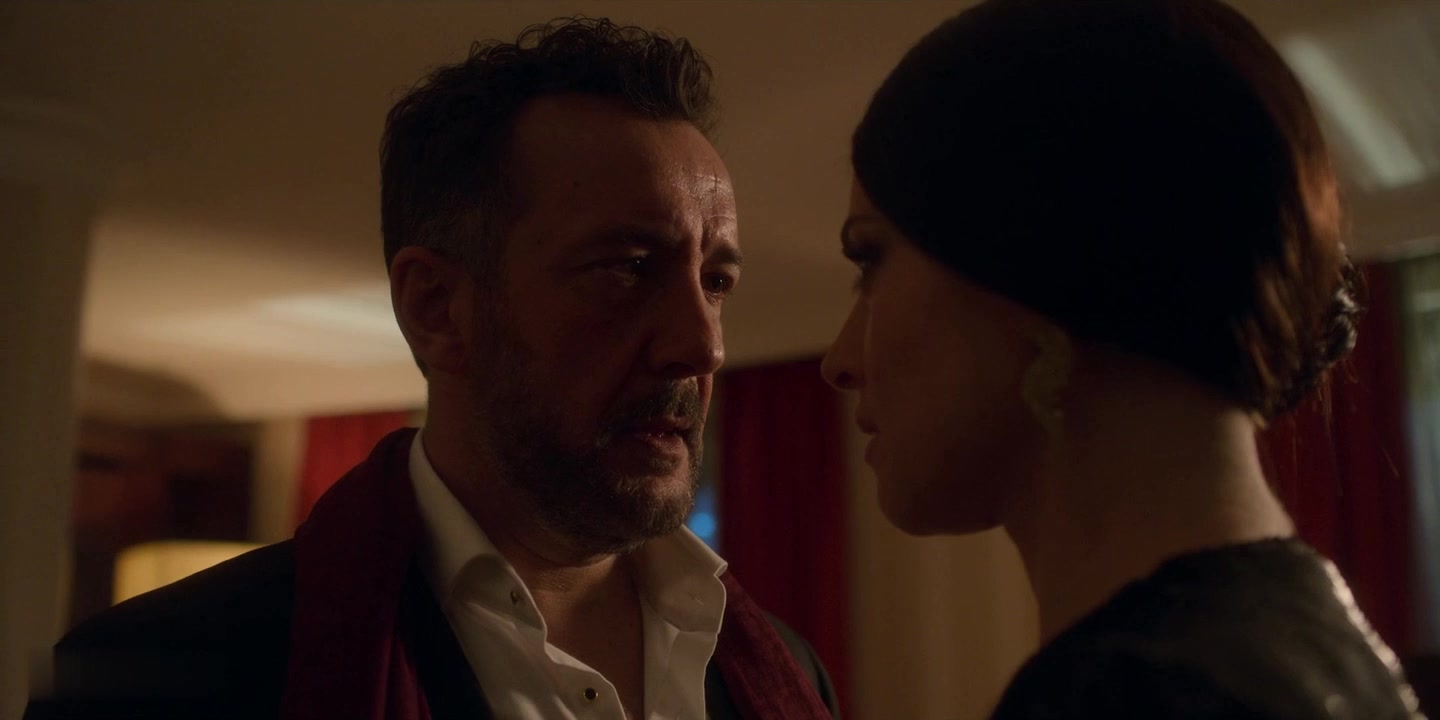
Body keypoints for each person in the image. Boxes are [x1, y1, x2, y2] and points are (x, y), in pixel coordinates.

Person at [26, 18, 838, 720]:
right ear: (437, 307)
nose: (703, 347)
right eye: (627, 268)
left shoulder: (787, 670)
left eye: (716, 282)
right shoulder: (155, 676)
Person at [821, 0, 1426, 717]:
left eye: (872, 259)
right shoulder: (1318, 650)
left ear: (1029, 276)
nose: (839, 360)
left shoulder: (1132, 695)